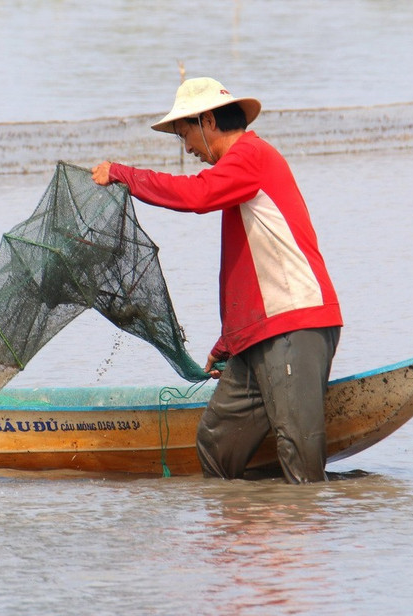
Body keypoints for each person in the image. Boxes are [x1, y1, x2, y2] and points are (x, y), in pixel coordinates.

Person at [92, 77, 343, 483]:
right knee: (216, 442)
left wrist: (124, 175)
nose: (187, 148)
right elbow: (245, 270)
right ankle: (243, 532)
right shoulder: (237, 174)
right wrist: (228, 342)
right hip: (257, 337)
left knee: (299, 451)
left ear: (208, 121)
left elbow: (196, 196)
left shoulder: (250, 155)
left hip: (294, 325)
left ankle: (302, 531)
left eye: (185, 134)